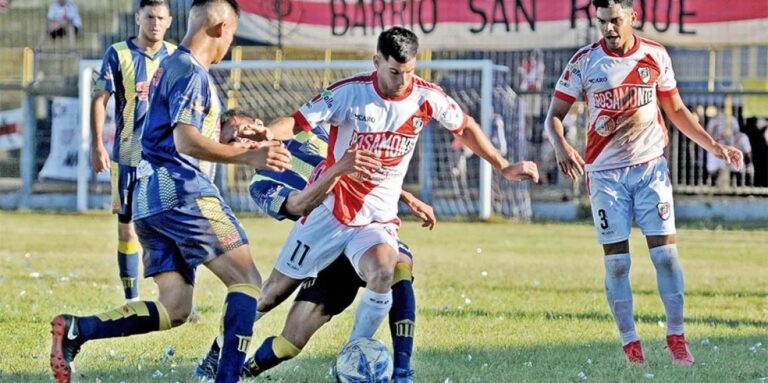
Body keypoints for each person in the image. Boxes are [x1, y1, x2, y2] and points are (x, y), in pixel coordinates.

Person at [258, 26, 538, 362]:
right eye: (394, 72)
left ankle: (357, 352)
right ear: (376, 61)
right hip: (330, 210)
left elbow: (464, 126)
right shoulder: (348, 93)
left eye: (409, 72)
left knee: (384, 269)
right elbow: (296, 123)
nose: (402, 80)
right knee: (271, 294)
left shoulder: (426, 97)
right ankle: (219, 351)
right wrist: (260, 137)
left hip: (376, 219)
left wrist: (503, 165)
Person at [49, 2, 292, 383]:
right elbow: (185, 141)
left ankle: (79, 329)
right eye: (231, 34)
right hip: (186, 192)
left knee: (175, 308)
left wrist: (236, 137)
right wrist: (250, 158)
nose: (229, 43)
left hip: (150, 199)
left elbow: (181, 131)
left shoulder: (169, 66)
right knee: (247, 281)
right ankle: (226, 377)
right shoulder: (190, 71)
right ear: (220, 26)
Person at [544, 0, 743, 367]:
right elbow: (553, 116)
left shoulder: (655, 55)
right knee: (618, 264)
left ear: (633, 17)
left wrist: (714, 146)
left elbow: (677, 110)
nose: (608, 29)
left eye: (615, 21)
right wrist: (562, 145)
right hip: (605, 176)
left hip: (650, 169)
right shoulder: (585, 61)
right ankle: (631, 344)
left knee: (665, 256)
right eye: (602, 22)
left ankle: (677, 337)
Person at [193, 110, 428, 382]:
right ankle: (231, 359)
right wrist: (336, 173)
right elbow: (299, 205)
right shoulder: (261, 184)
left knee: (397, 264)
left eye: (239, 130)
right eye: (231, 143)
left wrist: (405, 195)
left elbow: (361, 164)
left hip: (366, 229)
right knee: (285, 333)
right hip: (323, 246)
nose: (241, 140)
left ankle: (402, 371)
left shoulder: (309, 133)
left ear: (258, 123)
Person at [90, 0, 175, 303]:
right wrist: (97, 144)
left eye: (160, 17)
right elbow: (100, 99)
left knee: (170, 229)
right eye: (149, 16)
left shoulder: (177, 57)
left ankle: (176, 298)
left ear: (169, 21)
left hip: (166, 159)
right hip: (127, 155)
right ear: (138, 18)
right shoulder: (118, 53)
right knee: (127, 229)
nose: (154, 22)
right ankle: (132, 301)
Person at [705, 110, 741, 186]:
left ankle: (726, 185)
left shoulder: (732, 119)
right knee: (712, 169)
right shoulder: (714, 120)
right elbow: (708, 131)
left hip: (728, 146)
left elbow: (737, 133)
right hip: (715, 145)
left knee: (726, 167)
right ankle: (714, 185)